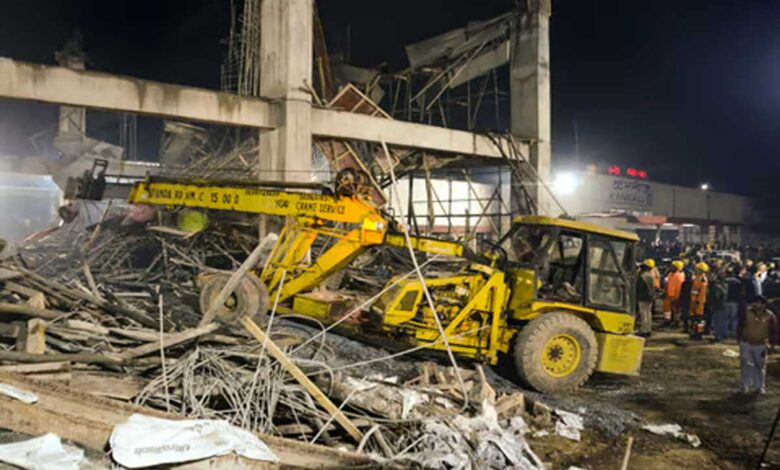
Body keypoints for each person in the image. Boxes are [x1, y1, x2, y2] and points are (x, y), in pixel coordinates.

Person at [737, 296, 778, 394]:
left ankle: (759, 387)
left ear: (763, 305)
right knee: (746, 365)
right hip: (746, 342)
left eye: (758, 302)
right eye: (754, 302)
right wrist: (738, 339)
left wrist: (772, 344)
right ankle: (744, 386)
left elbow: (773, 331)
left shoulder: (770, 316)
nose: (755, 304)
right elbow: (740, 326)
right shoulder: (747, 313)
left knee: (760, 366)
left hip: (761, 344)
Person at [689, 262, 709, 339]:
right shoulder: (698, 277)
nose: (695, 269)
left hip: (699, 302)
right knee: (695, 319)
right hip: (695, 301)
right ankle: (695, 332)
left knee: (699, 319)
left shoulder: (702, 279)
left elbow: (703, 291)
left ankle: (698, 334)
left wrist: (699, 301)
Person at [636, 259, 656, 337]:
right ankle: (648, 329)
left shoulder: (642, 276)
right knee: (648, 314)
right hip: (650, 297)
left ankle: (644, 330)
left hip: (643, 297)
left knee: (643, 314)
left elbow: (639, 287)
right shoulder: (651, 276)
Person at [663, 260, 685, 326]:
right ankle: (668, 321)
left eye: (673, 266)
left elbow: (679, 288)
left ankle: (676, 322)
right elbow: (668, 284)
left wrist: (676, 297)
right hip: (669, 295)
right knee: (667, 309)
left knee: (676, 310)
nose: (671, 267)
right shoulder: (670, 274)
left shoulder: (679, 276)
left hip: (675, 296)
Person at [710, 268, 728, 342]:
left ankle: (718, 337)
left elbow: (716, 297)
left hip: (718, 306)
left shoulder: (717, 286)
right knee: (722, 321)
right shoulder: (725, 285)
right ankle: (722, 335)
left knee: (717, 322)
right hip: (724, 305)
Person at [724, 267, 742, 338]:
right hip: (735, 302)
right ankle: (734, 333)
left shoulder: (724, 281)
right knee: (734, 319)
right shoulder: (738, 282)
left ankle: (725, 333)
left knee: (726, 319)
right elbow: (740, 292)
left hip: (726, 301)